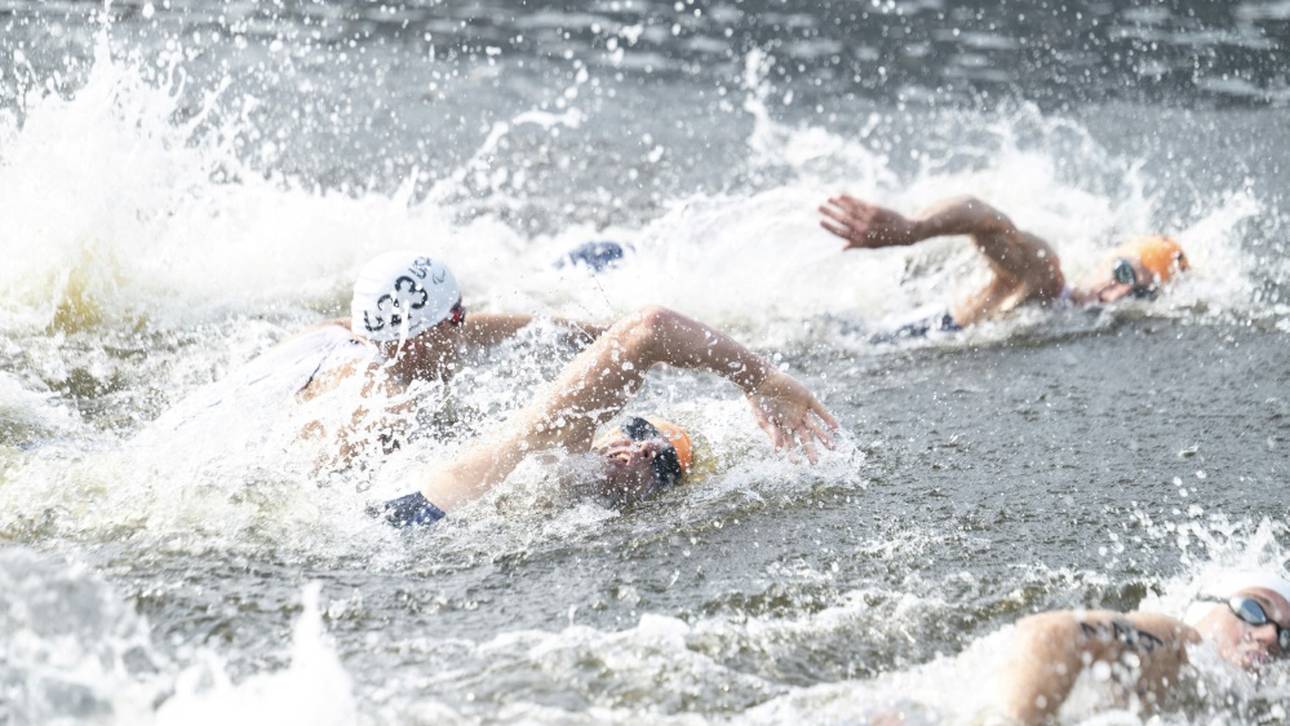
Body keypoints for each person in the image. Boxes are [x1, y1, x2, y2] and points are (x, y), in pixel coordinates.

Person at [374, 305, 839, 528]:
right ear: (604, 431)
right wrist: (764, 381)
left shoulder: (568, 516)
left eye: (664, 466)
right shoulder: (553, 442)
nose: (644, 451)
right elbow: (650, 328)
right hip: (410, 515)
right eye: (640, 435)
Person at [285, 250, 605, 466]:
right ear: (421, 338)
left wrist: (606, 333)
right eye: (457, 315)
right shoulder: (386, 403)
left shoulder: (342, 332)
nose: (464, 324)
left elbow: (482, 328)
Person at [817, 194, 1190, 337]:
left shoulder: (1066, 320)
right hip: (866, 340)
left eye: (1142, 291)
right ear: (1104, 262)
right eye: (1125, 274)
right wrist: (914, 230)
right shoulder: (1045, 280)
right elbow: (985, 216)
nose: (1121, 292)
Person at [997, 570, 1290, 724]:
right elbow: (1052, 634)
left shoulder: (1233, 700)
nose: (1270, 636)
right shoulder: (1180, 642)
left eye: (1286, 636)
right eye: (1253, 609)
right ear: (1207, 606)